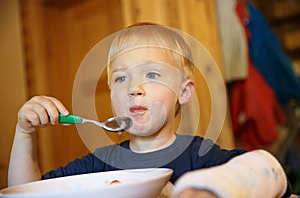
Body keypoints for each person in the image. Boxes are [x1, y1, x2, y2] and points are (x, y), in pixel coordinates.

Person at [8, 23, 292, 197]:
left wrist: (212, 190)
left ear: (184, 92)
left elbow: (269, 172)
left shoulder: (200, 158)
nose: (134, 88)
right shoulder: (100, 164)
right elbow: (25, 193)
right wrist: (24, 132)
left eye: (152, 75)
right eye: (121, 78)